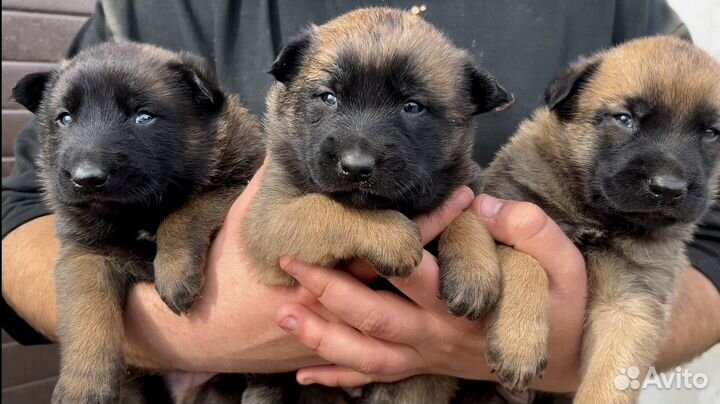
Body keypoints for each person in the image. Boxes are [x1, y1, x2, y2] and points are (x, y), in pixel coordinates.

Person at [2, 0, 718, 398]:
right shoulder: (142, 14)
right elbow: (21, 221)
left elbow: (706, 257)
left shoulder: (628, 16)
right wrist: (195, 336)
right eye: (325, 98)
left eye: (412, 107)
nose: (356, 151)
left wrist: (580, 354)